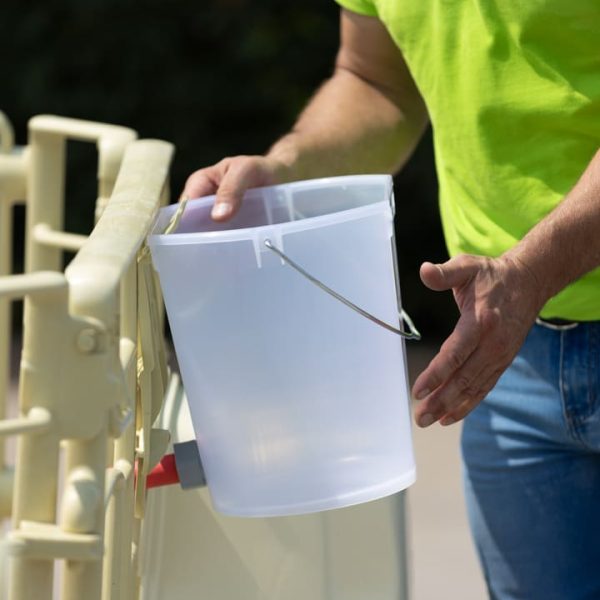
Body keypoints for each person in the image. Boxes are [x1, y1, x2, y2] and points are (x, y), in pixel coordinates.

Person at [183, 3, 600, 599]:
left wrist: (530, 271)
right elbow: (375, 80)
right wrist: (285, 169)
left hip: (509, 307)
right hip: (505, 352)